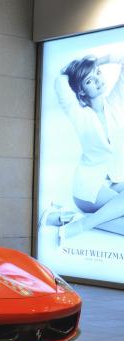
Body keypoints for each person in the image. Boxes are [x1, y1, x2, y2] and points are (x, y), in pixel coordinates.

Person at [53, 53, 124, 244]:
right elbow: (60, 81)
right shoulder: (78, 113)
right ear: (81, 91)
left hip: (115, 180)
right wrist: (79, 68)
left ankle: (77, 220)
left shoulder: (116, 103)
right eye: (90, 81)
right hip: (88, 187)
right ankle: (83, 223)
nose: (98, 81)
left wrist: (96, 62)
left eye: (98, 74)